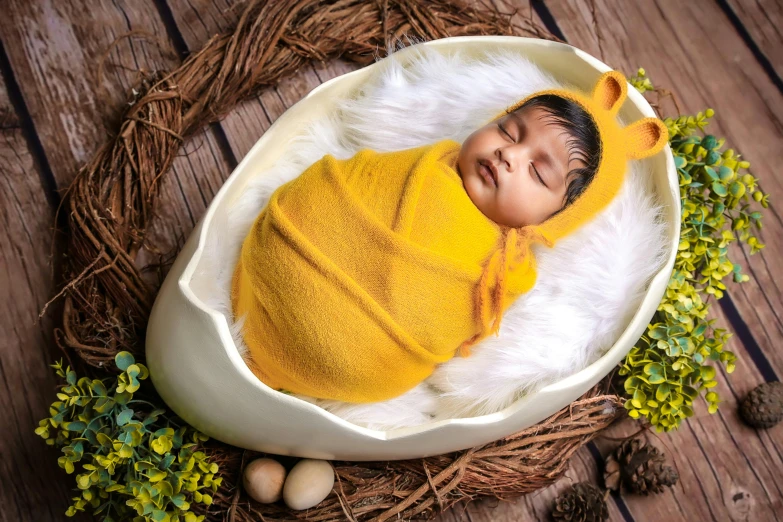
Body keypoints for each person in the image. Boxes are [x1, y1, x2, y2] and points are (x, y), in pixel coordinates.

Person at [231, 70, 668, 403]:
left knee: (361, 356)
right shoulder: (430, 162)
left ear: (556, 217)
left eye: (537, 172)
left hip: (359, 354)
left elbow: (458, 324)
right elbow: (352, 183)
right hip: (286, 256)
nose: (508, 154)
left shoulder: (506, 270)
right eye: (507, 130)